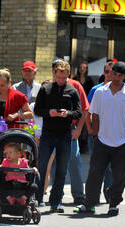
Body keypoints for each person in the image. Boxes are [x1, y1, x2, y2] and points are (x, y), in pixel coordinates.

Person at [74, 61, 125, 216]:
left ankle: (113, 204)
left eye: (119, 75)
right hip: (102, 140)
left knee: (120, 175)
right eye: (113, 74)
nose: (116, 77)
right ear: (109, 73)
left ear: (124, 77)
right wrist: (95, 134)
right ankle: (89, 203)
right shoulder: (100, 92)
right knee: (95, 173)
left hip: (123, 142)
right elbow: (94, 114)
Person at [34, 60, 81, 212]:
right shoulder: (45, 89)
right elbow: (37, 110)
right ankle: (37, 199)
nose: (60, 81)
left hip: (64, 134)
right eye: (58, 77)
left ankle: (56, 202)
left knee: (61, 169)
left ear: (68, 75)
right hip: (48, 134)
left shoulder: (72, 91)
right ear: (54, 74)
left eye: (63, 78)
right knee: (41, 167)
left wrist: (67, 113)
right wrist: (50, 112)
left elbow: (79, 112)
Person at [86, 61, 115, 203]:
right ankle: (93, 197)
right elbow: (88, 110)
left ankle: (109, 196)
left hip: (112, 135)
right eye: (108, 72)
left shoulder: (122, 90)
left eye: (113, 72)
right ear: (104, 73)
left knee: (110, 168)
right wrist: (90, 129)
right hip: (97, 134)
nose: (111, 74)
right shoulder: (96, 90)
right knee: (96, 167)